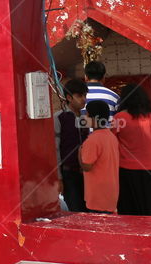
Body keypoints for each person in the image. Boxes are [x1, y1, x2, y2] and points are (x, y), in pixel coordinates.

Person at [114, 84, 151, 216]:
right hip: (150, 169)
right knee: (150, 209)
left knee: (129, 210)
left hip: (125, 169)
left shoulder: (119, 118)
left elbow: (111, 139)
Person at [54, 78, 89, 211]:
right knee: (75, 211)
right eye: (79, 96)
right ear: (69, 97)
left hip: (85, 173)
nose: (83, 99)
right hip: (68, 174)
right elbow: (55, 148)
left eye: (85, 95)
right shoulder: (59, 118)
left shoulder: (85, 118)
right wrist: (59, 178)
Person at [79, 100, 119, 214]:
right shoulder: (111, 136)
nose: (85, 117)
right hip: (110, 194)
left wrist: (79, 153)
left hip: (97, 197)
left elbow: (86, 166)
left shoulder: (92, 140)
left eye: (86, 114)